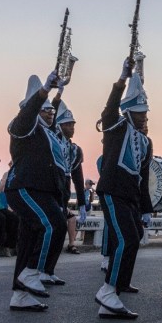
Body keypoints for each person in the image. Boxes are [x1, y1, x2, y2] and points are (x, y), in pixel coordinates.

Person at [94, 59, 153, 319]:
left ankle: (117, 286)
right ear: (128, 112)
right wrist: (121, 80)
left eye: (145, 112)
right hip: (112, 192)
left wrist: (146, 209)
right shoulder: (116, 128)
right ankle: (108, 292)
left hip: (130, 197)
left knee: (134, 237)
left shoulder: (146, 142)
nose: (143, 117)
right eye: (139, 112)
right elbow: (108, 110)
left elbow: (142, 176)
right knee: (126, 239)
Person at [5, 72, 69, 312]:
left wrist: (58, 93)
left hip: (43, 191)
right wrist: (44, 90)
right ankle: (33, 272)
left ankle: (20, 295)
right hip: (25, 188)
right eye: (45, 111)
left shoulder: (49, 134)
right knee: (54, 226)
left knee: (29, 240)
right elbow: (28, 114)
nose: (50, 114)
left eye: (52, 111)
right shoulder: (23, 127)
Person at [54, 98, 89, 256]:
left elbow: (78, 178)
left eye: (73, 124)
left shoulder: (75, 150)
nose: (72, 127)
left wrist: (81, 203)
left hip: (64, 191)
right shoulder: (51, 143)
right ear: (59, 126)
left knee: (61, 224)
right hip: (51, 188)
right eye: (68, 124)